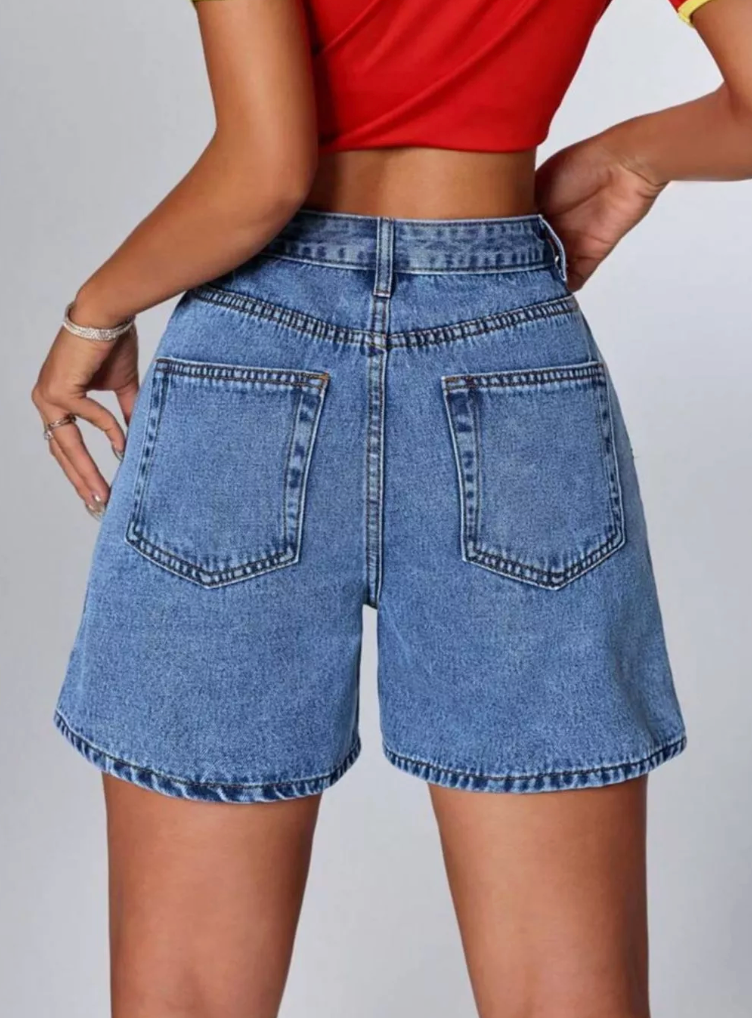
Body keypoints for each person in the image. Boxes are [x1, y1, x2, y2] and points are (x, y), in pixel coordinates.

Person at [32, 0, 750, 1015]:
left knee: (188, 989)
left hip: (253, 359)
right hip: (506, 347)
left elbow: (264, 176)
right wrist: (631, 156)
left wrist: (93, 315)